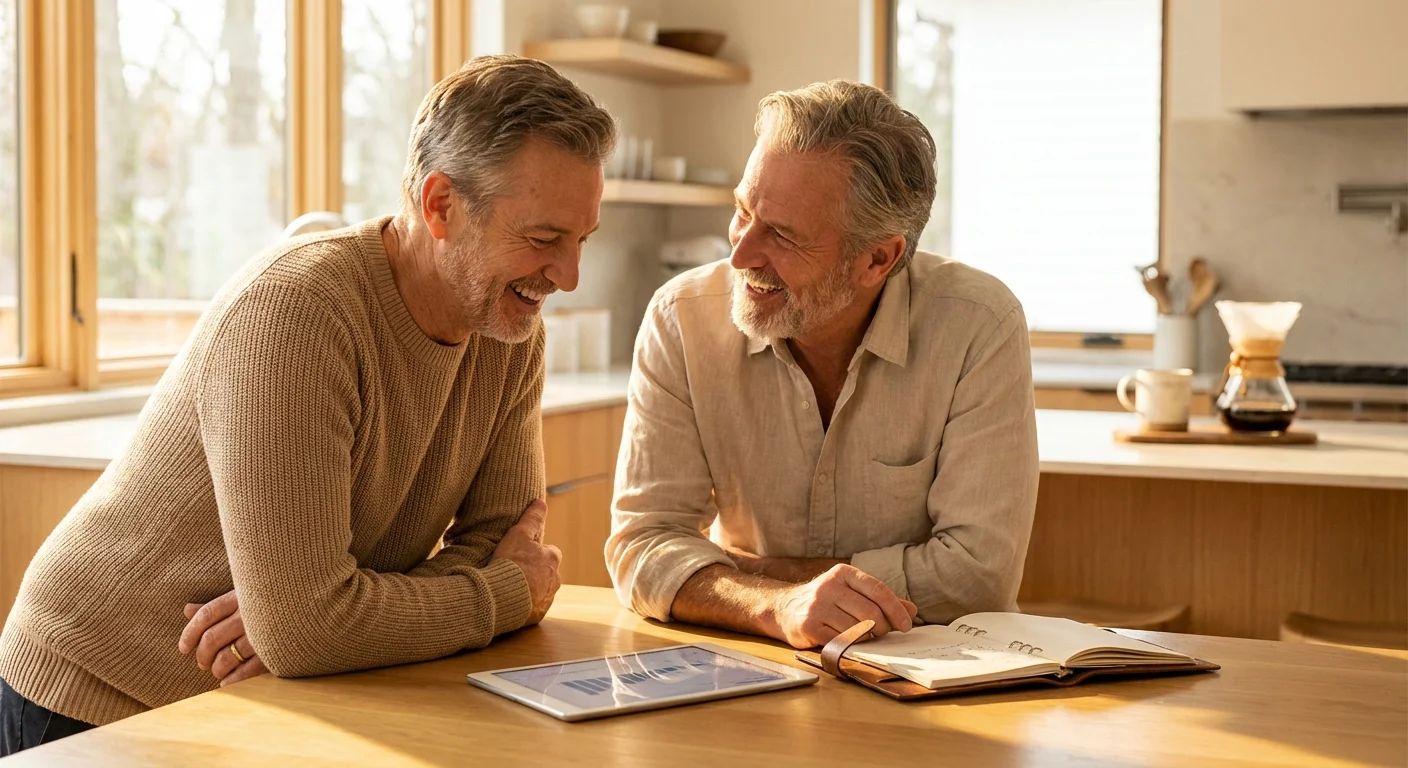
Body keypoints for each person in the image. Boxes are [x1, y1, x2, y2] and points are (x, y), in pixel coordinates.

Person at [0, 55, 616, 754]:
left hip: (269, 698)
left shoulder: (508, 332)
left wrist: (335, 622)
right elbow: (337, 621)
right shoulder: (298, 314)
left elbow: (498, 543)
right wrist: (488, 597)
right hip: (101, 694)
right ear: (441, 205)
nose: (567, 276)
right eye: (543, 240)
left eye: (581, 239)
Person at [607, 80, 1039, 650]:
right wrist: (774, 604)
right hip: (754, 658)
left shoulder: (979, 324)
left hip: (940, 673)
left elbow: (976, 579)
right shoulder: (681, 318)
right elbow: (641, 545)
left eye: (782, 234)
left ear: (877, 259)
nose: (740, 254)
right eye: (742, 211)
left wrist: (746, 570)